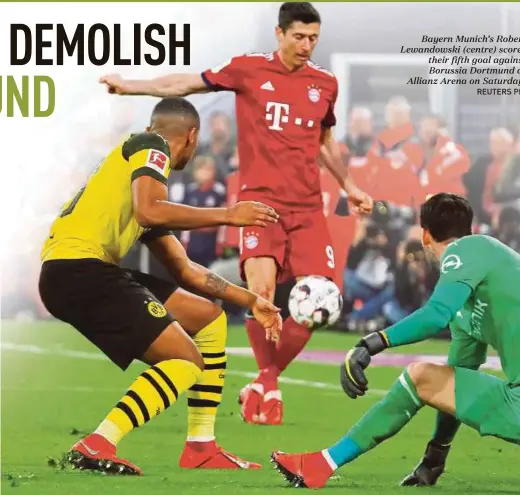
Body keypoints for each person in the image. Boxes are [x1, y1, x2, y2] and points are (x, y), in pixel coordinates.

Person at [99, 1, 374, 426]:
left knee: (321, 304)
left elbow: (324, 142)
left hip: (306, 210)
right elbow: (187, 82)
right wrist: (132, 86)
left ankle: (265, 380)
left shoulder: (325, 83)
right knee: (262, 295)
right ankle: (269, 385)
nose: (306, 46)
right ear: (279, 33)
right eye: (299, 37)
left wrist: (351, 187)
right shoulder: (248, 69)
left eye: (313, 39)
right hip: (260, 204)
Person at [271, 193, 520, 495]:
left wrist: (373, 342)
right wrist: (435, 455)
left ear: (425, 236)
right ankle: (320, 464)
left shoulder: (470, 249)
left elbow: (435, 314)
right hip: (519, 397)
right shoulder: (466, 306)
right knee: (423, 376)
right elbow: (455, 379)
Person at [38, 97, 282, 475]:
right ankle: (98, 443)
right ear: (192, 136)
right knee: (185, 361)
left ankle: (201, 446)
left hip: (75, 270)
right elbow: (150, 210)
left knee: (207, 317)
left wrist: (250, 300)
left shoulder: (139, 183)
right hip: (79, 269)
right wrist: (229, 215)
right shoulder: (151, 146)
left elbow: (186, 271)